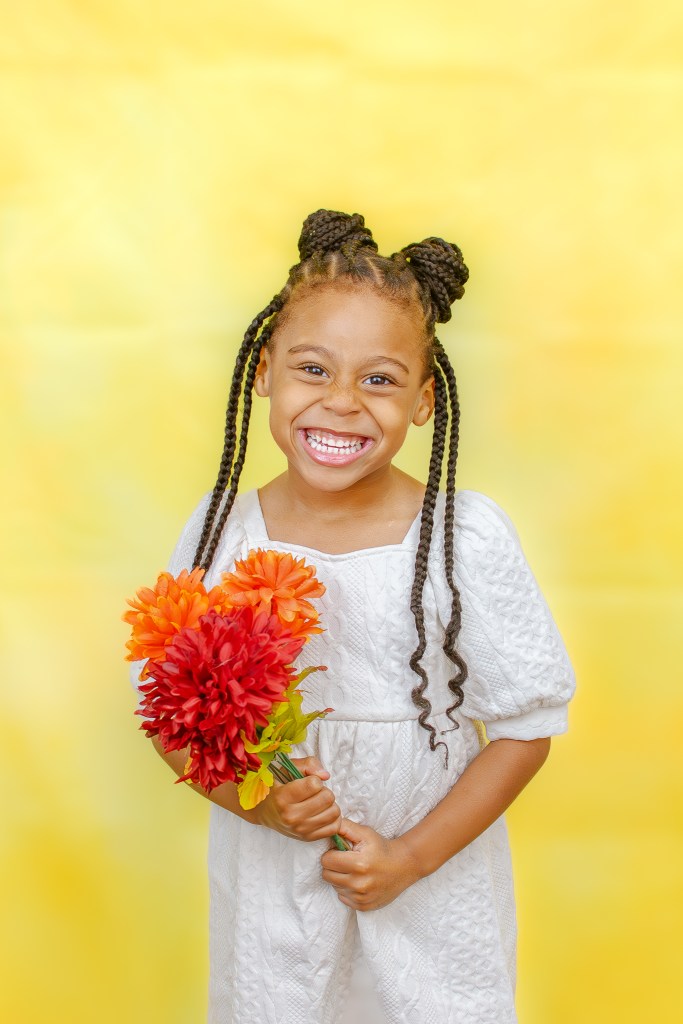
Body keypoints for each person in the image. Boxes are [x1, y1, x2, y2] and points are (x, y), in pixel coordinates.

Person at [129, 208, 576, 1024]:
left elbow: (525, 727)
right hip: (275, 878)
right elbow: (167, 710)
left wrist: (409, 857)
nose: (340, 404)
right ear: (263, 371)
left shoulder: (461, 537)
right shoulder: (223, 527)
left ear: (424, 400)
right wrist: (251, 801)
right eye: (312, 369)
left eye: (378, 379)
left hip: (429, 872)